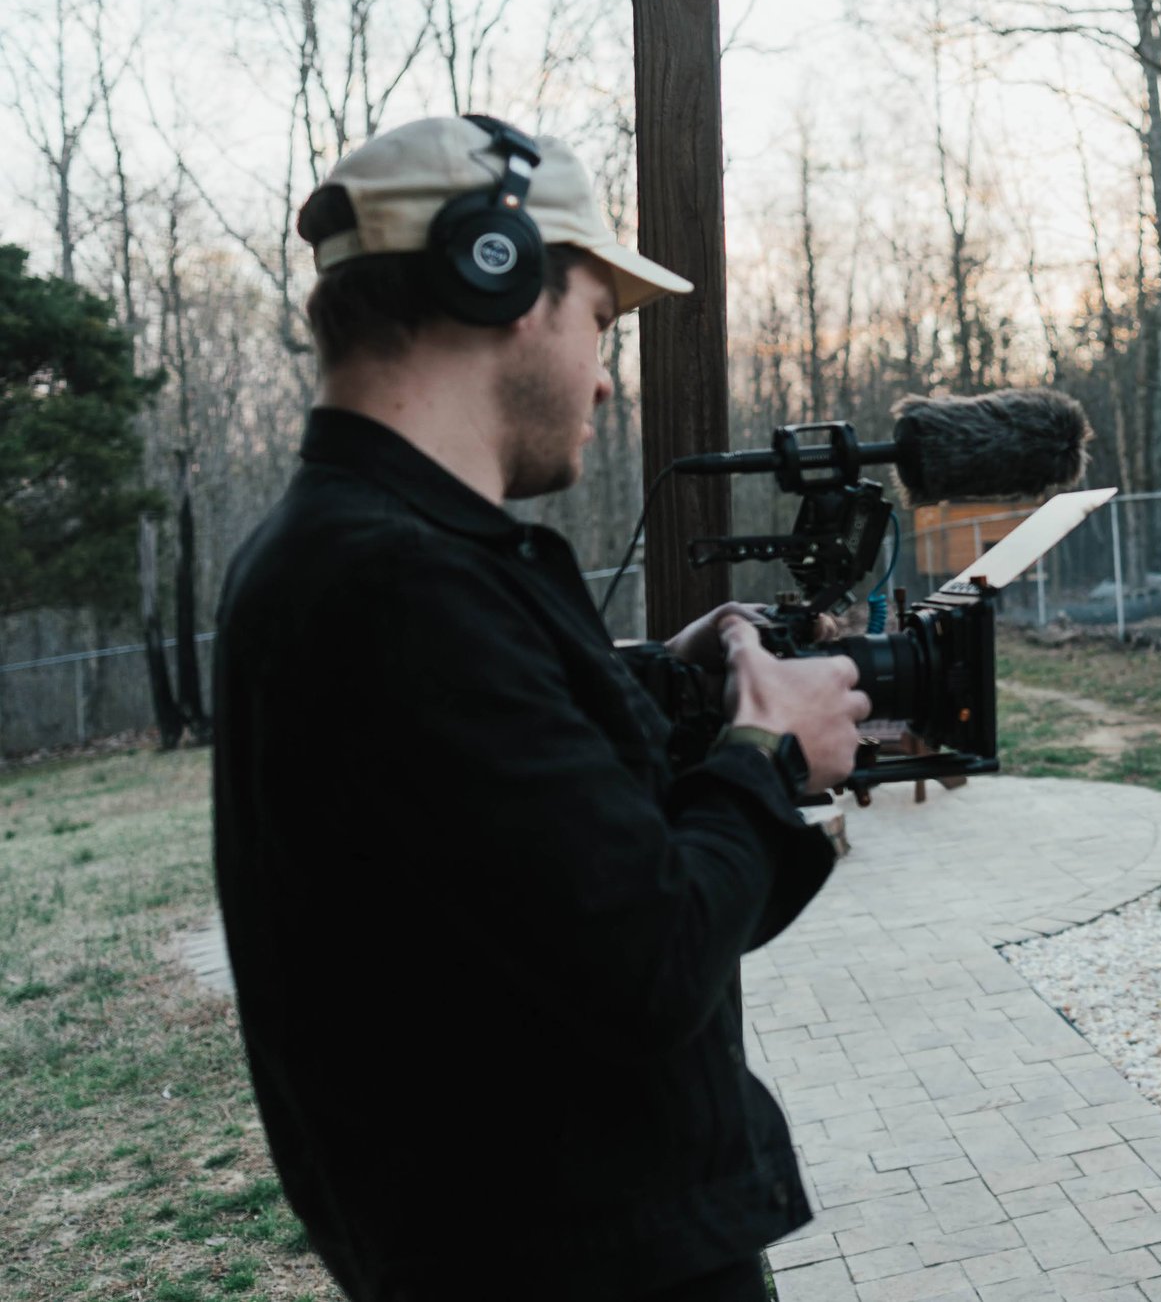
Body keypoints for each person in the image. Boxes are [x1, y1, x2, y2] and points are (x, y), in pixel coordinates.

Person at [213, 115, 872, 1302]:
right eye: (602, 321)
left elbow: (512, 873)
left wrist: (655, 691)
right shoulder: (395, 583)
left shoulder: (365, 554)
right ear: (498, 274)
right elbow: (646, 960)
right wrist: (771, 757)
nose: (608, 376)